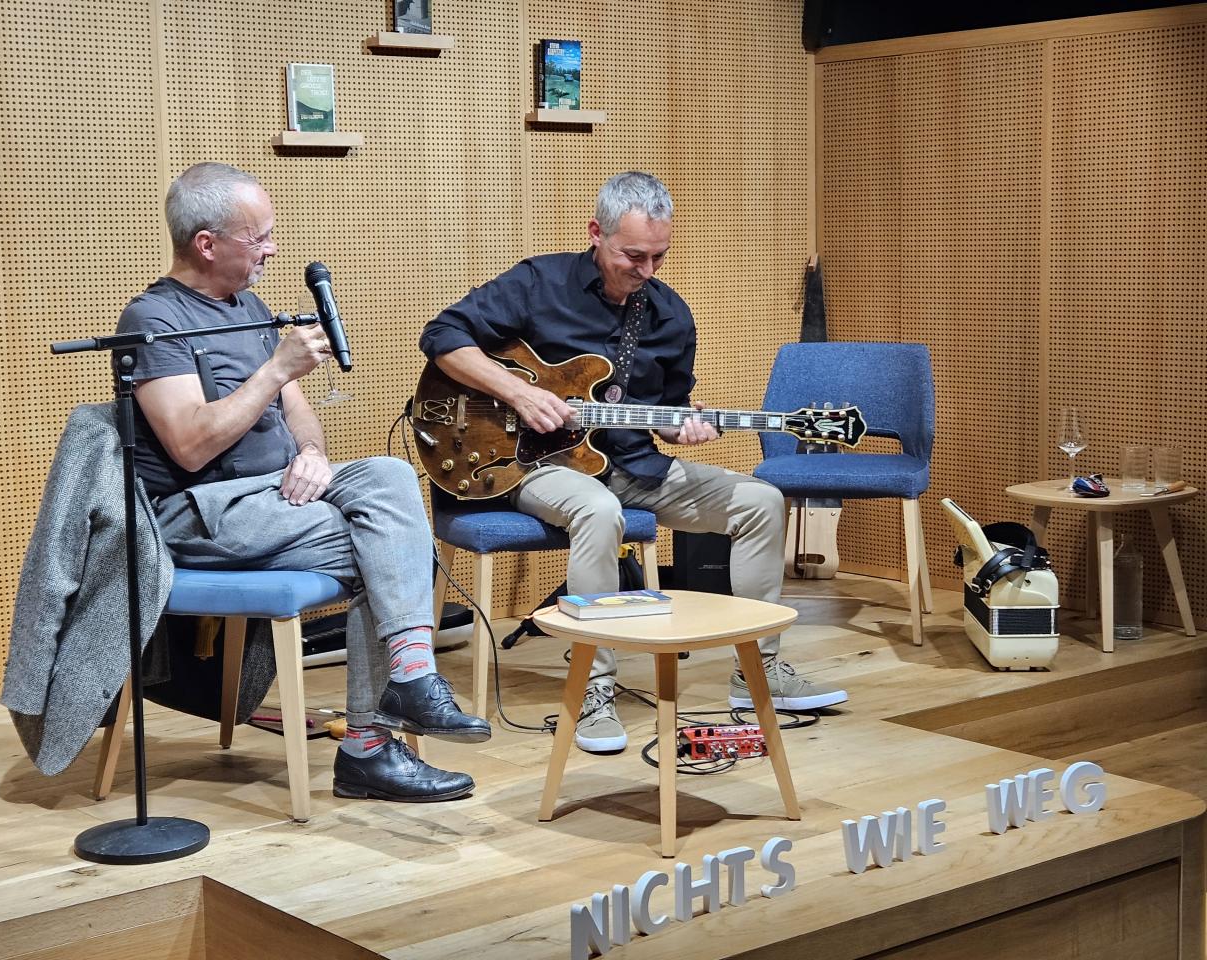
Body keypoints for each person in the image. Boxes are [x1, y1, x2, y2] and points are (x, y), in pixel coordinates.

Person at [420, 171, 848, 753]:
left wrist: (687, 428)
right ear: (596, 233)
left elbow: (667, 413)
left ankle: (758, 673)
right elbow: (443, 336)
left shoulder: (671, 317)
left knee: (762, 501)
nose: (647, 271)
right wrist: (519, 394)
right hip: (532, 464)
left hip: (632, 464)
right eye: (633, 256)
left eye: (658, 257)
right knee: (598, 510)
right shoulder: (538, 283)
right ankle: (593, 688)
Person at [117, 162, 489, 802]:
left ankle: (406, 681)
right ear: (207, 244)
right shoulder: (154, 321)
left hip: (277, 493)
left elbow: (297, 414)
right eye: (258, 237)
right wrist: (275, 368)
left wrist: (312, 451)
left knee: (390, 475)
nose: (272, 249)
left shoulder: (250, 307)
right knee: (392, 551)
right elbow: (188, 444)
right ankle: (373, 743)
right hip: (202, 510)